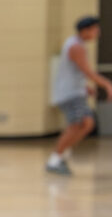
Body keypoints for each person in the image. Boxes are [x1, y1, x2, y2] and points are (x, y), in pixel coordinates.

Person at [46, 15, 110, 175]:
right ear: (86, 30)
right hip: (70, 94)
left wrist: (85, 87)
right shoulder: (76, 47)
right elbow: (87, 71)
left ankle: (61, 154)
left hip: (74, 92)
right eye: (95, 29)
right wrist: (107, 85)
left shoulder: (77, 44)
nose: (97, 32)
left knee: (86, 124)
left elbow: (76, 72)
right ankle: (55, 159)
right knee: (79, 124)